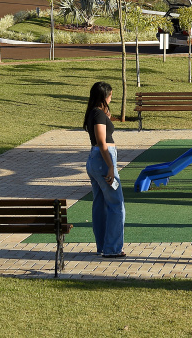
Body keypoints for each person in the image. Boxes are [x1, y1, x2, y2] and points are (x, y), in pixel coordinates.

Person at [83, 81, 126, 258]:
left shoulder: (95, 113)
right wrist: (111, 166)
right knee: (116, 203)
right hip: (103, 160)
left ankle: (103, 246)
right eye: (110, 95)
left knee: (100, 203)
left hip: (96, 160)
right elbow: (102, 142)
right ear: (103, 97)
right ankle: (113, 248)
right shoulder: (98, 115)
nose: (112, 98)